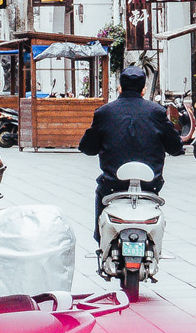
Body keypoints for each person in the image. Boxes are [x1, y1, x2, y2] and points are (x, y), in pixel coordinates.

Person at [77, 64, 184, 242]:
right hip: (150, 185)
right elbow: (175, 147)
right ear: (144, 89)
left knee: (100, 194)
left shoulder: (104, 113)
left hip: (113, 184)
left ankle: (100, 237)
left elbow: (87, 147)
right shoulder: (157, 112)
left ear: (120, 87)